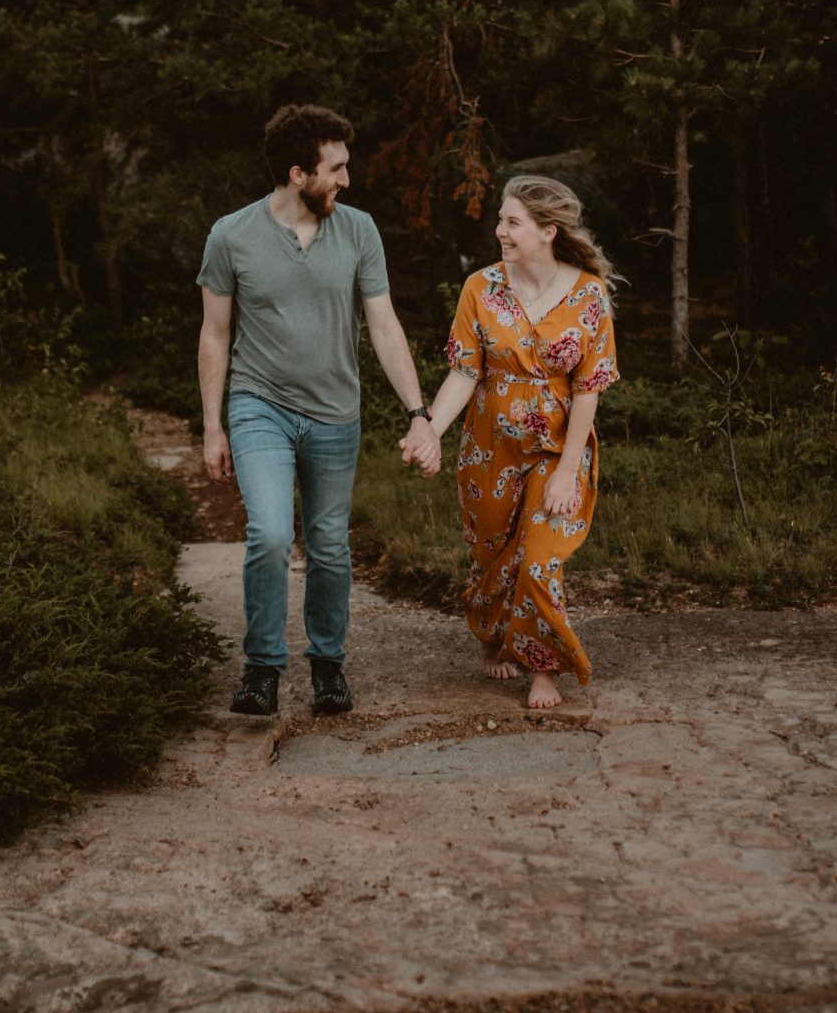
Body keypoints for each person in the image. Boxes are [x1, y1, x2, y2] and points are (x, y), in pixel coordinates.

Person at [198, 104, 442, 718]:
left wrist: (419, 412)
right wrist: (212, 425)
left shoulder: (358, 230)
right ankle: (262, 670)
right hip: (261, 407)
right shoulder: (231, 235)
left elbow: (383, 325)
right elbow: (214, 335)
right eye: (336, 169)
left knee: (330, 544)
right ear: (297, 172)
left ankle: (328, 665)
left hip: (336, 413)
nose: (346, 180)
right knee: (272, 532)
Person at [418, 174, 620, 710]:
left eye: (512, 222)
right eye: (501, 220)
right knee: (491, 556)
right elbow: (464, 372)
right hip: (489, 449)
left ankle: (542, 666)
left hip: (558, 449)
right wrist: (430, 430)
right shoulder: (480, 289)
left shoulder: (588, 295)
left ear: (547, 231)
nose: (499, 231)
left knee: (537, 560)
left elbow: (589, 388)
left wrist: (566, 469)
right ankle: (492, 633)